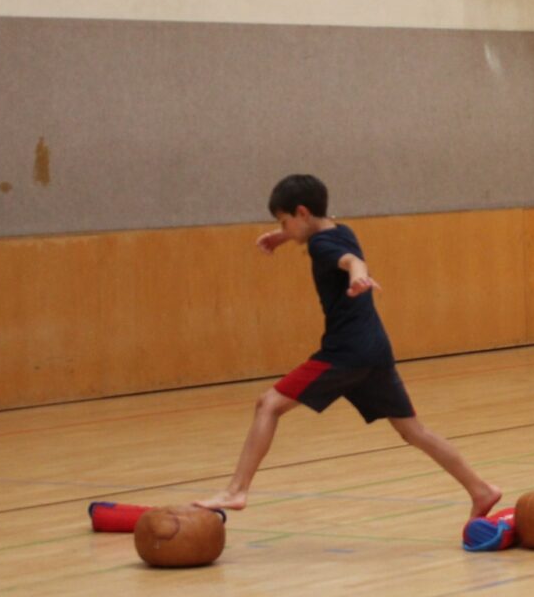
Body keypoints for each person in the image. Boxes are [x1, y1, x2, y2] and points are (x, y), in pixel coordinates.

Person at [195, 174, 500, 519]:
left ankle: (236, 491)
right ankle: (481, 489)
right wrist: (283, 235)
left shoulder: (321, 247)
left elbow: (348, 261)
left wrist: (358, 275)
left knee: (268, 405)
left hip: (346, 352)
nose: (283, 228)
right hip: (374, 347)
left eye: (284, 221)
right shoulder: (341, 231)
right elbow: (331, 239)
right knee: (413, 431)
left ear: (302, 212)